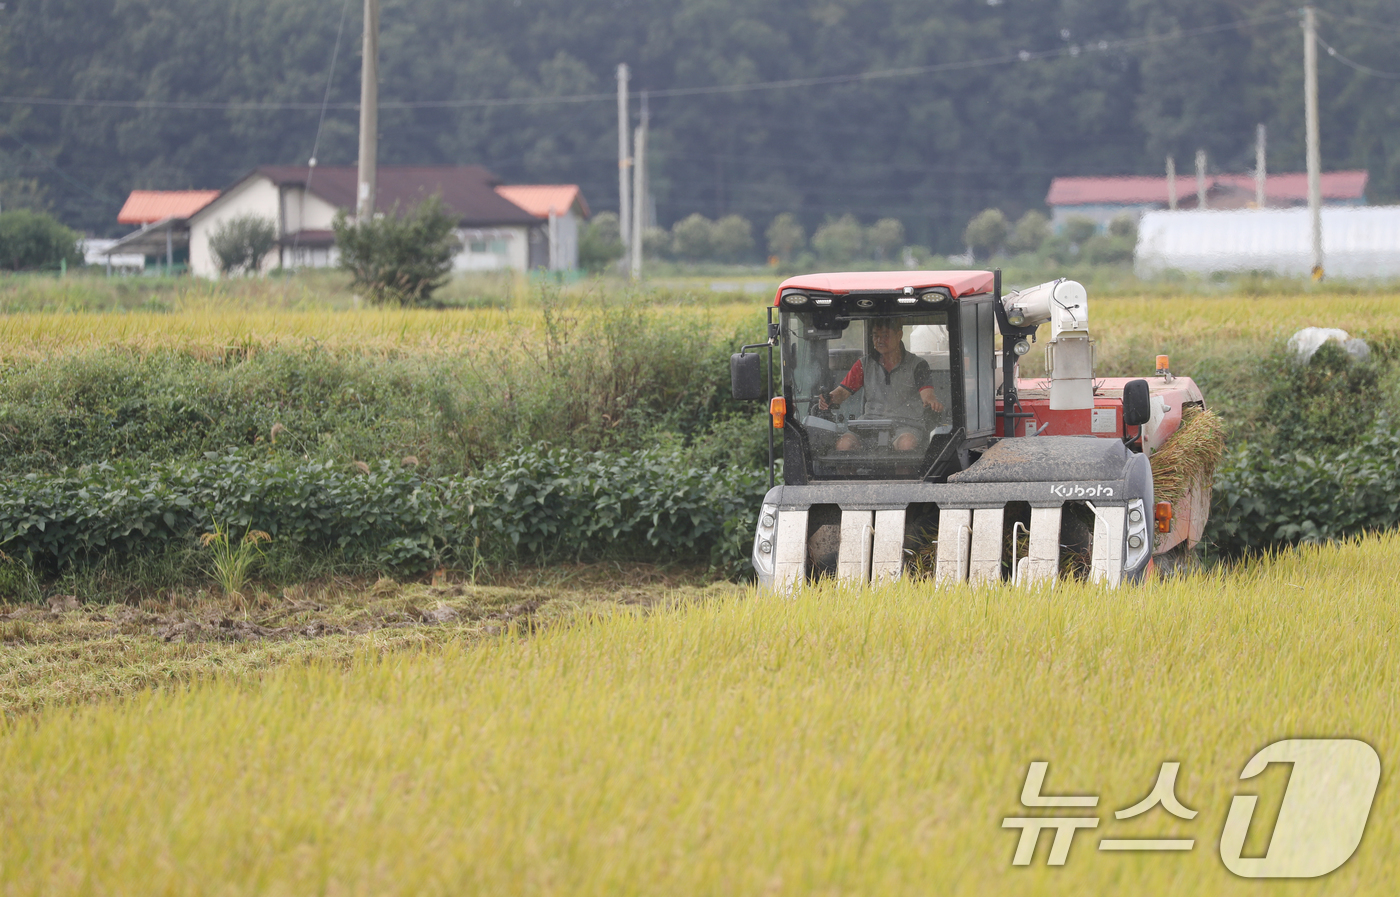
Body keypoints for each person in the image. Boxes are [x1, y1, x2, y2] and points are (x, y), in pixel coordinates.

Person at [816, 318, 944, 451]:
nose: (879, 340)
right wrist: (829, 398)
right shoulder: (864, 365)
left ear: (899, 335)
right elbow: (842, 392)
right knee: (844, 445)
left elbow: (927, 395)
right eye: (876, 336)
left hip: (906, 425)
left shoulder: (917, 365)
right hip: (869, 423)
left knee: (906, 444)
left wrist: (932, 402)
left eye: (885, 336)